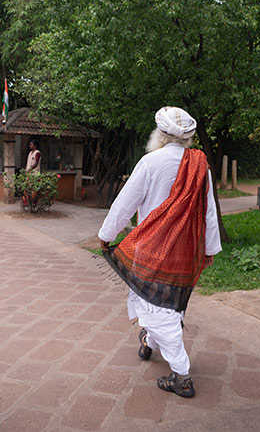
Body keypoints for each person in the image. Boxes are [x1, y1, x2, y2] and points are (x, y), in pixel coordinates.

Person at [98, 106, 222, 398]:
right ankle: (149, 343)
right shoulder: (200, 165)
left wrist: (106, 235)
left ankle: (181, 375)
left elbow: (125, 204)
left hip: (151, 248)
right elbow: (210, 211)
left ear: (160, 134)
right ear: (187, 138)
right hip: (184, 250)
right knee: (163, 303)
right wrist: (210, 247)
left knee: (157, 309)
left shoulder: (150, 162)